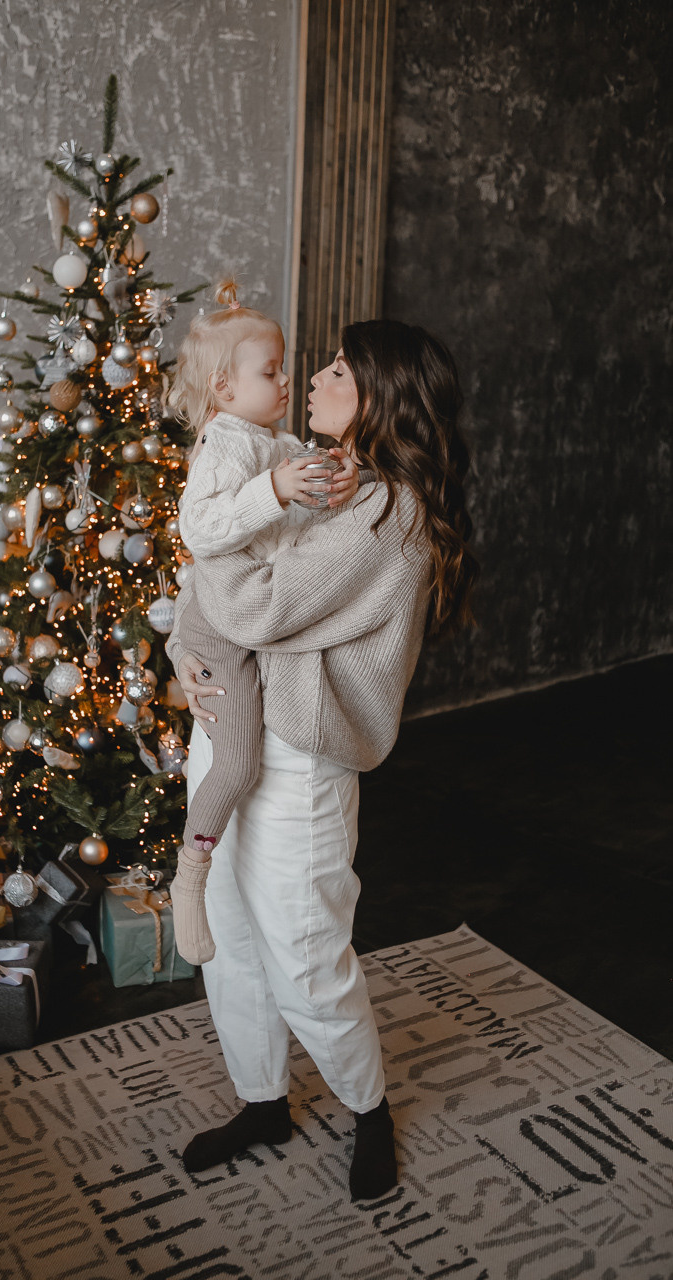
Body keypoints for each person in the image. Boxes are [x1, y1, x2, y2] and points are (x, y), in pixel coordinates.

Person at [166, 318, 479, 1200]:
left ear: (378, 394)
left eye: (338, 368)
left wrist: (202, 556)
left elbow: (256, 605)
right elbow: (229, 599)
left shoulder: (389, 509)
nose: (315, 374)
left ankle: (368, 1107)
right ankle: (263, 1099)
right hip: (232, 721)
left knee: (303, 949)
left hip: (300, 749)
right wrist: (186, 658)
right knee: (226, 935)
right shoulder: (318, 471)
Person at [166, 280, 358, 966]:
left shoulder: (270, 442)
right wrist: (276, 488)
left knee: (246, 757)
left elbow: (284, 533)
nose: (285, 381)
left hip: (236, 615)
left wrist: (321, 481)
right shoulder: (223, 446)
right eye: (270, 372)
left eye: (282, 369)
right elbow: (204, 527)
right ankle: (190, 874)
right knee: (239, 760)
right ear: (222, 388)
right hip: (219, 628)